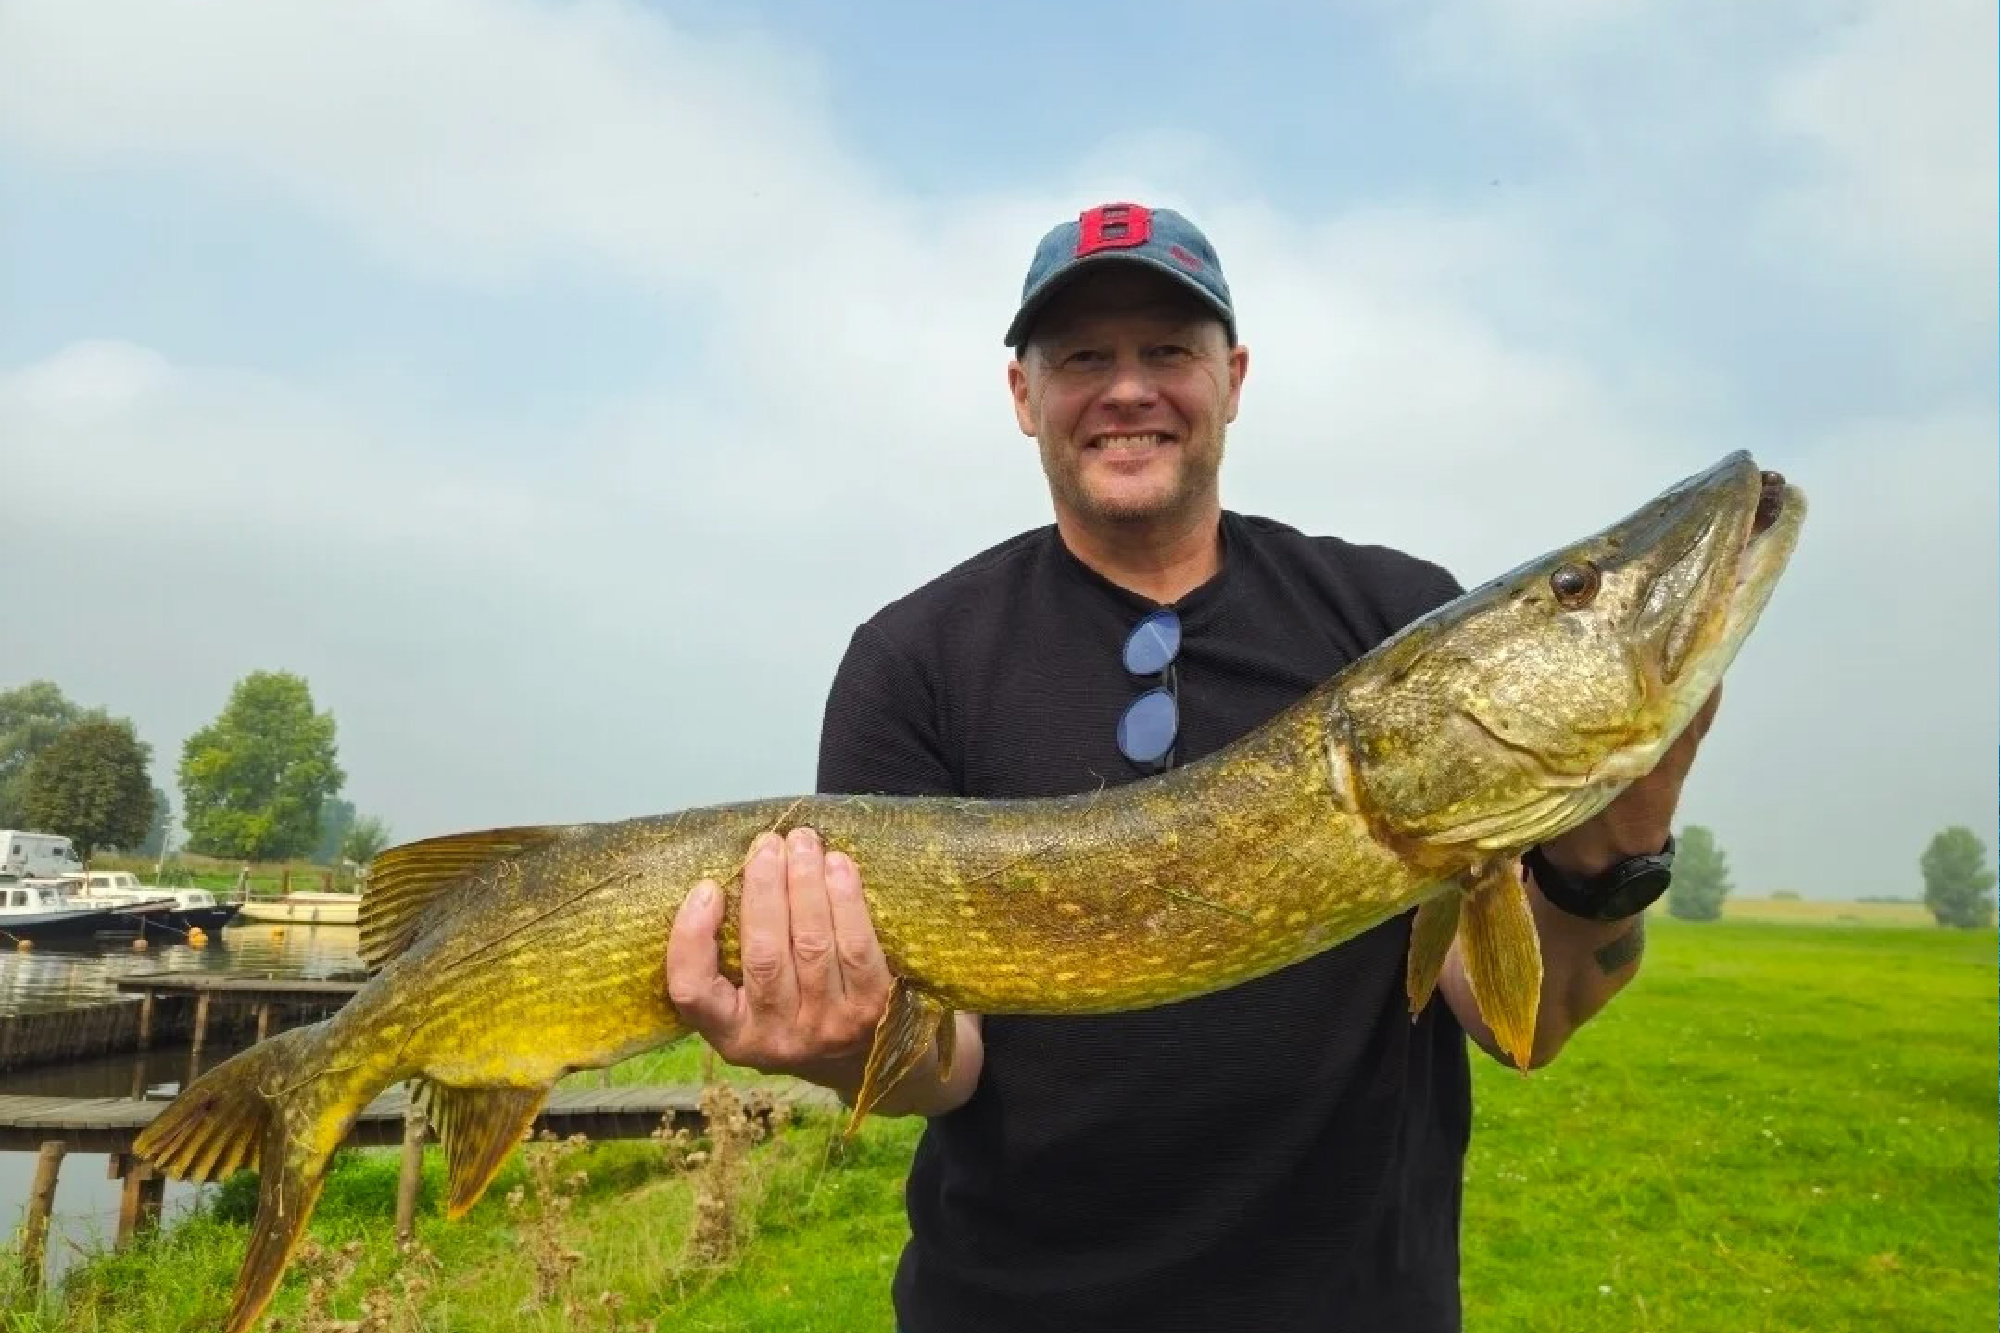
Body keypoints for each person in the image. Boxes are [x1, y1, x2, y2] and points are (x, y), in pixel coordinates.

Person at [665, 201, 1718, 1333]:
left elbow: (1522, 1019)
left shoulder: (1390, 616)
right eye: (1082, 356)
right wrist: (845, 1037)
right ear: (1024, 395)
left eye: (1168, 349)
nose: (1128, 388)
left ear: (1232, 377)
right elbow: (944, 1064)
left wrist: (1619, 838)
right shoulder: (913, 660)